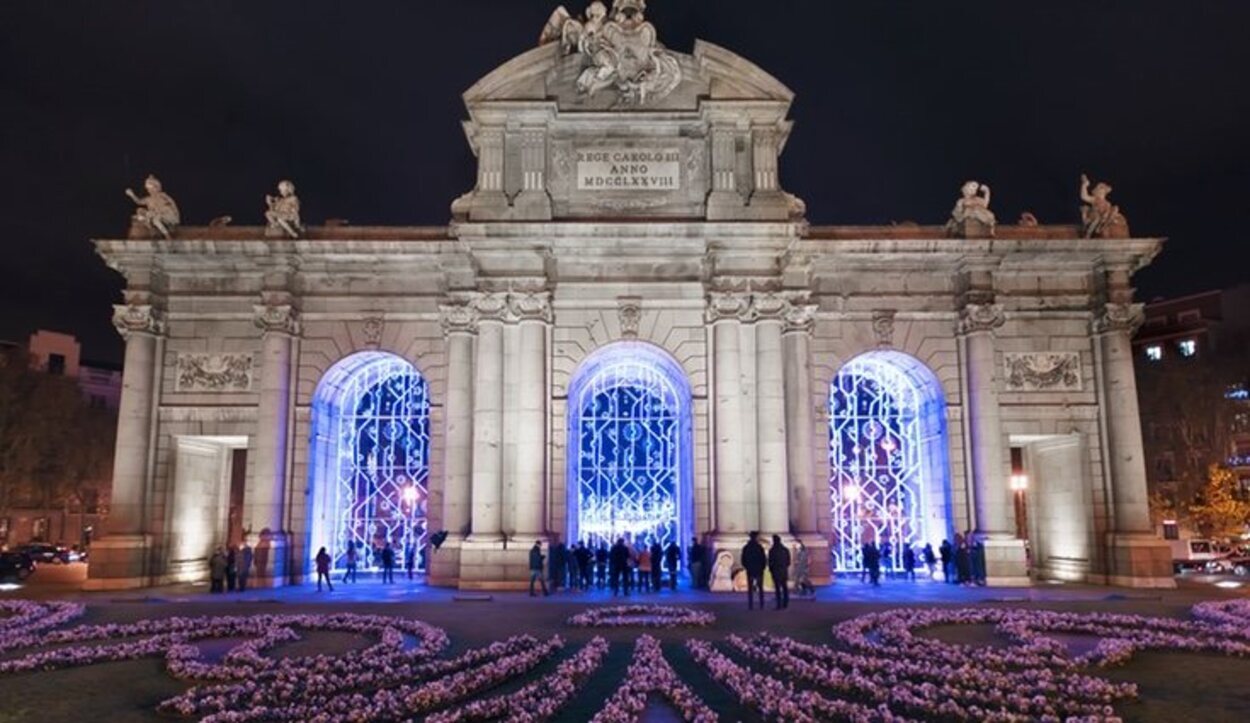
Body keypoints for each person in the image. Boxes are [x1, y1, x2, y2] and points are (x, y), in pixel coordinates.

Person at [741, 531, 767, 610]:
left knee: (750, 588)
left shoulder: (746, 547)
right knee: (760, 588)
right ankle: (761, 604)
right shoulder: (760, 547)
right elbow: (764, 559)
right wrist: (762, 567)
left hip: (750, 570)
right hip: (759, 570)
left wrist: (747, 567)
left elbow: (743, 559)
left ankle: (751, 605)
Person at [768, 535, 791, 610]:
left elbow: (770, 562)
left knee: (778, 588)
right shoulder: (785, 550)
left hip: (776, 571)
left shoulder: (772, 551)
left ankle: (779, 604)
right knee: (784, 587)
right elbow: (788, 562)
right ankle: (785, 603)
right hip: (783, 571)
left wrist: (771, 570)